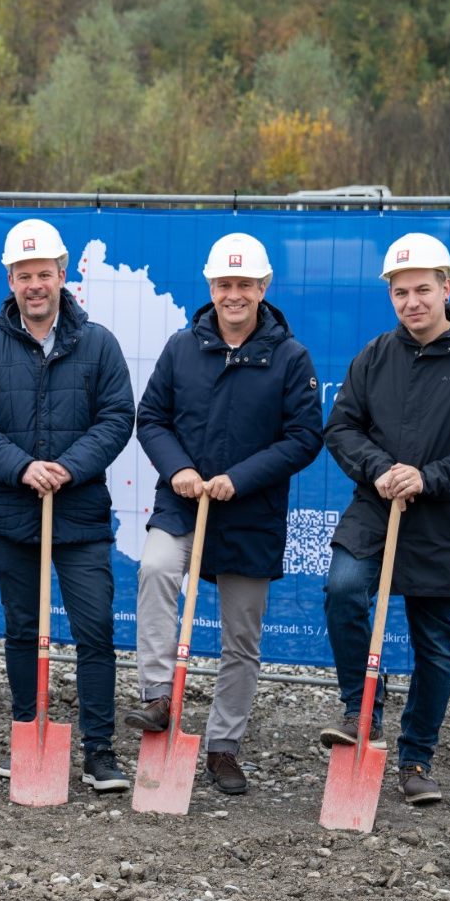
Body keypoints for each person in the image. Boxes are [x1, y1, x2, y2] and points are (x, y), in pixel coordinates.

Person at [320, 232, 450, 805]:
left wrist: (429, 477)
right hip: (375, 509)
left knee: (434, 645)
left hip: (443, 521)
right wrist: (380, 468)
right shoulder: (375, 355)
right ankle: (362, 708)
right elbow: (341, 428)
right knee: (342, 589)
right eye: (401, 291)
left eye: (423, 289)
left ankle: (416, 759)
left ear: (448, 287)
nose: (412, 301)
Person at [130, 232, 323, 795]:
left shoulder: (291, 358)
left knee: (241, 636)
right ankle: (158, 698)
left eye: (244, 284)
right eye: (223, 284)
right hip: (184, 502)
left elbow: (304, 437)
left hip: (250, 511)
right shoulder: (180, 348)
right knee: (157, 569)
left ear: (263, 287)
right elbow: (152, 418)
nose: (233, 294)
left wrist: (240, 479)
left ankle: (223, 747)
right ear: (210, 287)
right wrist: (178, 471)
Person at [0, 218, 135, 793]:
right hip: (10, 514)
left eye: (45, 273)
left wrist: (70, 467)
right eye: (24, 275)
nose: (35, 285)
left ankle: (99, 751)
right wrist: (22, 467)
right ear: (10, 280)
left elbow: (116, 417)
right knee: (23, 630)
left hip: (79, 517)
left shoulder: (98, 344)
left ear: (63, 275)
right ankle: (29, 732)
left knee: (95, 630)